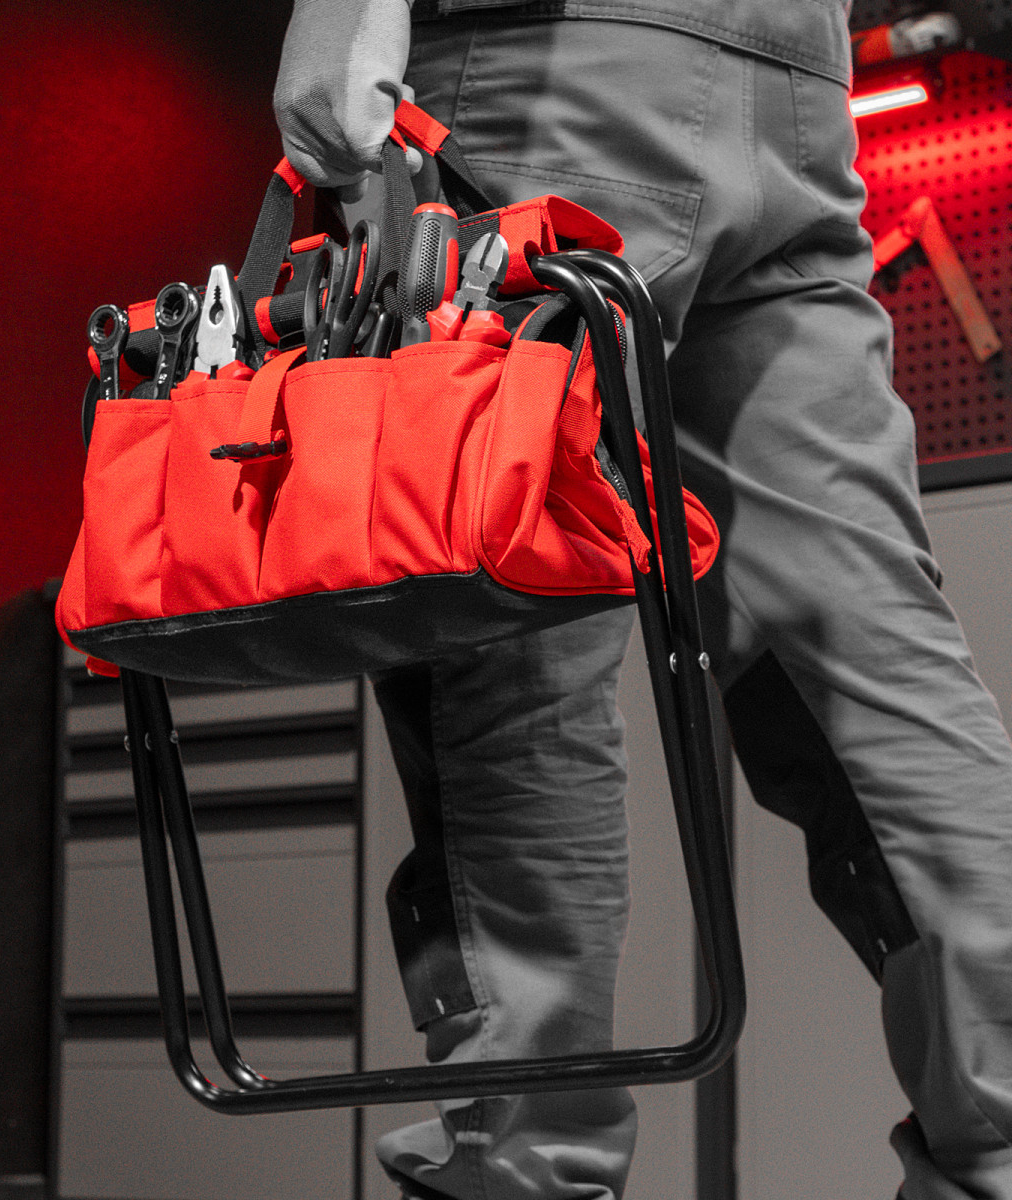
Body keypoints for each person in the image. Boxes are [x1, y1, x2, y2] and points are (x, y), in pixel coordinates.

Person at [272, 2, 1012, 1197]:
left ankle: (528, 1167)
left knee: (504, 636)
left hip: (544, 63)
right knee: (867, 647)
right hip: (795, 85)